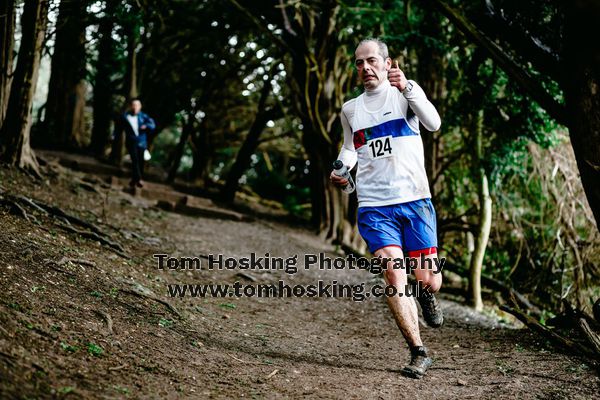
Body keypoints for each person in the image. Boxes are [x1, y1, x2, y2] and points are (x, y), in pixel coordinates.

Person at [330, 38, 443, 379]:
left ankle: (426, 293)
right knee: (394, 272)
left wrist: (408, 87)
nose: (364, 67)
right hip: (375, 206)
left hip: (415, 201)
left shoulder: (404, 94)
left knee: (428, 279)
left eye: (371, 61)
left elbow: (433, 123)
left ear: (386, 62)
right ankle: (418, 351)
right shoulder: (351, 109)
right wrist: (341, 166)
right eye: (358, 63)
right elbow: (352, 147)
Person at [113, 98, 156, 188]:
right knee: (135, 160)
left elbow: (152, 125)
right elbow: (118, 128)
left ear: (140, 107)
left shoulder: (144, 116)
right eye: (134, 105)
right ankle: (139, 179)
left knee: (140, 161)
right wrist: (114, 136)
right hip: (131, 141)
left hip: (142, 142)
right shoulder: (125, 116)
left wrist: (146, 126)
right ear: (131, 106)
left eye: (137, 105)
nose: (135, 107)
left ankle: (134, 180)